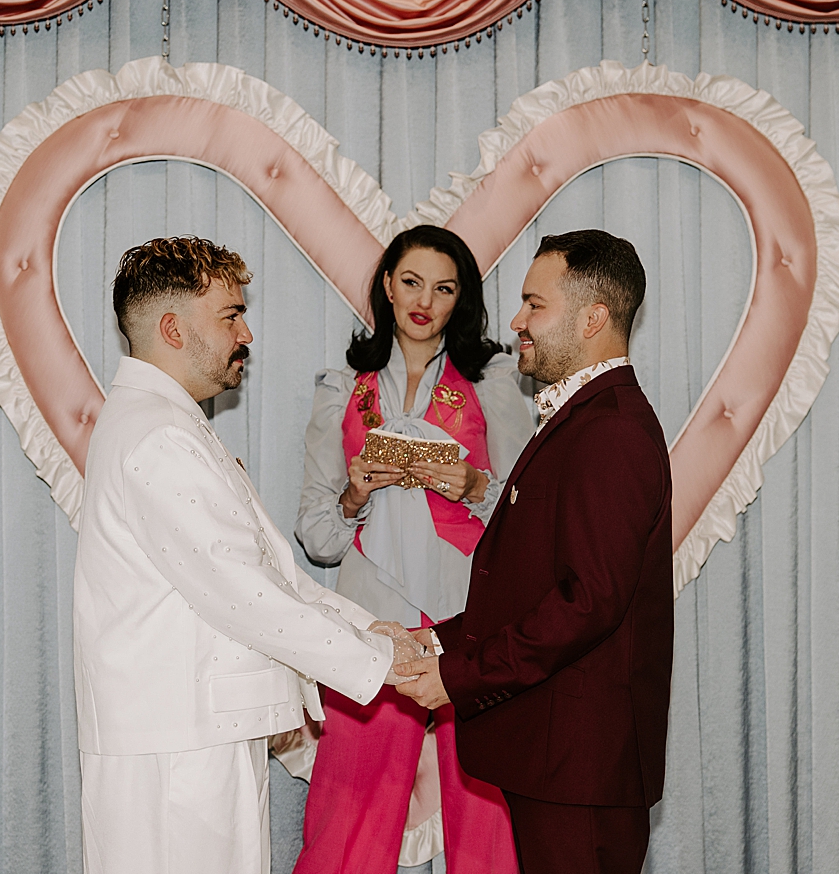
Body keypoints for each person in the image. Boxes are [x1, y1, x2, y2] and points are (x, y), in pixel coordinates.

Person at [73, 236, 419, 874]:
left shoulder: (169, 426)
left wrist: (372, 628)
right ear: (173, 329)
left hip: (195, 740)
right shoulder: (158, 438)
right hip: (177, 752)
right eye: (231, 315)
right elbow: (245, 597)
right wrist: (379, 659)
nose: (247, 332)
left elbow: (266, 574)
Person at [394, 230, 674, 874]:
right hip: (560, 763)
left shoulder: (611, 430)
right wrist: (437, 643)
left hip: (579, 769)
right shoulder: (584, 420)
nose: (515, 321)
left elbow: (586, 604)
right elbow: (533, 589)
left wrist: (460, 678)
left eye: (533, 304)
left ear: (592, 318)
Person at [295, 227, 531, 874]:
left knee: (488, 814)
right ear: (387, 285)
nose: (424, 298)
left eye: (444, 286)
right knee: (348, 815)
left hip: (471, 618)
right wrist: (354, 495)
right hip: (369, 620)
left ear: (463, 300)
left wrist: (479, 486)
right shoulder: (343, 383)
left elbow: (530, 514)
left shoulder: (496, 378)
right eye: (411, 280)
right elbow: (315, 534)